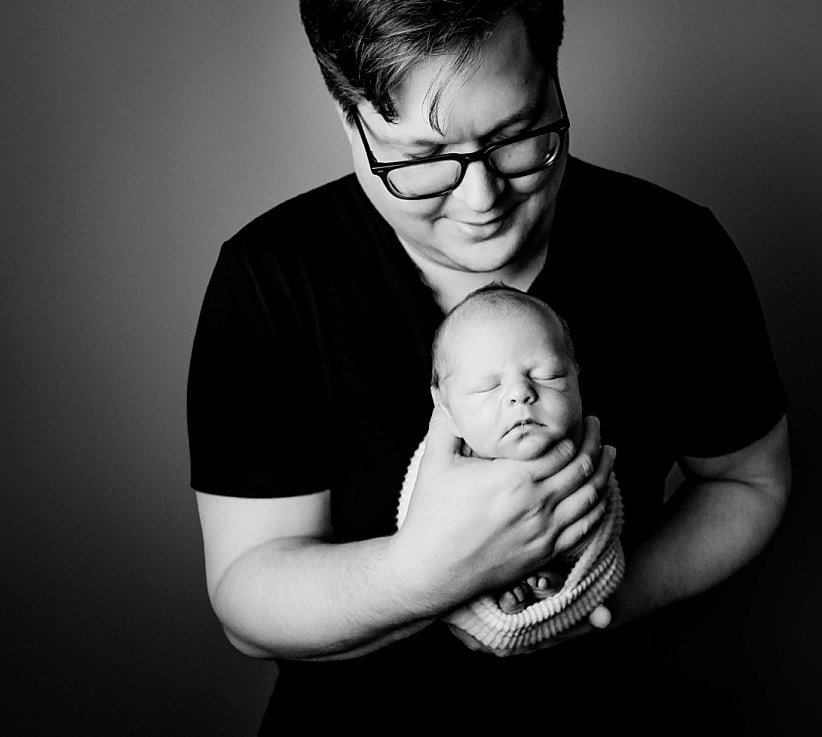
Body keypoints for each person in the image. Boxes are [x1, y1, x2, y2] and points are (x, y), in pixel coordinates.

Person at [188, 1, 790, 731]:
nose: (483, 202)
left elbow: (748, 481)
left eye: (518, 135)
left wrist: (591, 604)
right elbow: (248, 602)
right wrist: (425, 574)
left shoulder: (675, 252)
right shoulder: (271, 281)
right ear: (350, 120)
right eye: (422, 161)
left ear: (554, 77)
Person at [408, 282, 622, 637]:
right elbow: (421, 549)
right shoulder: (446, 472)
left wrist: (577, 561)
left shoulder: (584, 455)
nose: (521, 394)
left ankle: (562, 595)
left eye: (547, 375)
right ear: (444, 406)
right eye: (487, 387)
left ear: (577, 376)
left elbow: (603, 531)